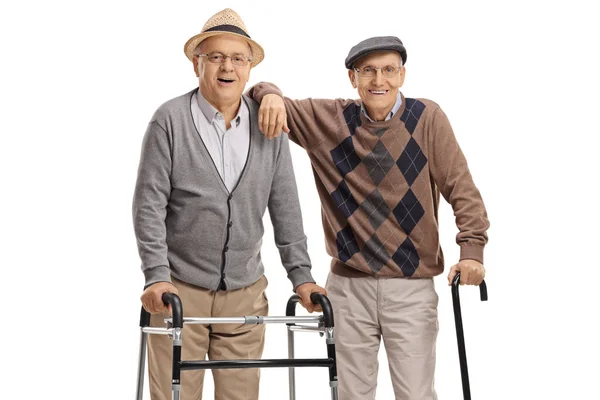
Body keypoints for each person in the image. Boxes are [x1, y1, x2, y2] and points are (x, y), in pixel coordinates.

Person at [247, 36, 490, 400]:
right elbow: (263, 95)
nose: (380, 81)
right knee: (350, 395)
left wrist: (472, 250)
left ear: (402, 75)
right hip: (347, 287)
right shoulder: (329, 120)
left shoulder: (427, 118)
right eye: (369, 71)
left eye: (389, 70)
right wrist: (268, 93)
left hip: (410, 285)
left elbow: (461, 187)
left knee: (416, 394)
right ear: (352, 78)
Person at [132, 8, 326, 400]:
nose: (227, 67)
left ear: (250, 68)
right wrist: (156, 275)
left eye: (238, 58)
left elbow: (286, 207)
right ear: (196, 64)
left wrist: (301, 277)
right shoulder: (168, 120)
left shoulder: (269, 124)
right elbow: (148, 205)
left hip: (244, 291)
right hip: (179, 292)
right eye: (216, 56)